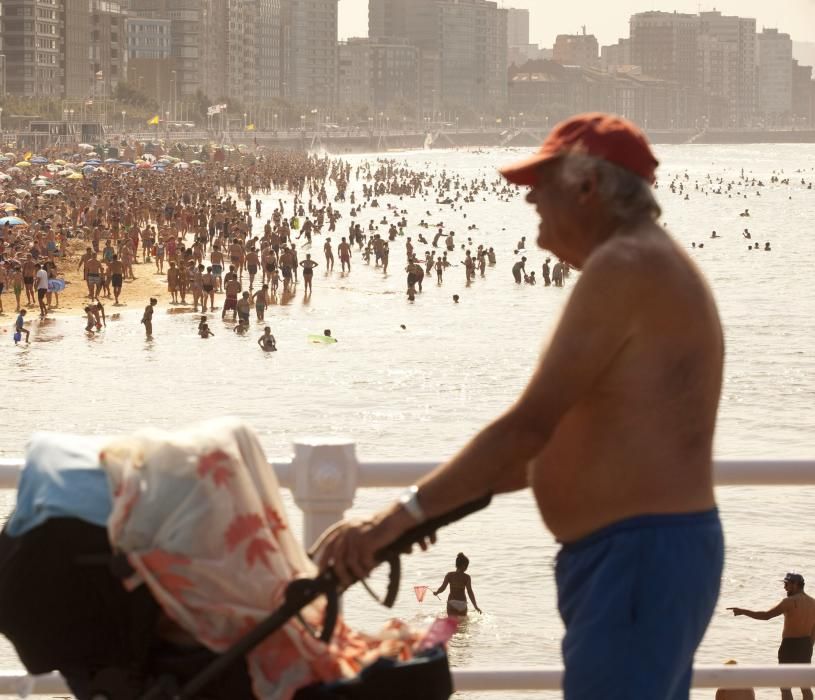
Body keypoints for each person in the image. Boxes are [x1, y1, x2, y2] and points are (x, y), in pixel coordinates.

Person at [309, 113, 725, 700]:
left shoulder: (624, 266)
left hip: (636, 558)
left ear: (588, 189)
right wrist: (425, 511)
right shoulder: (642, 263)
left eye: (541, 188)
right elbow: (548, 448)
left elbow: (526, 429)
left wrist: (391, 520)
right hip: (639, 556)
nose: (530, 205)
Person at [728, 573, 815, 700]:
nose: (785, 588)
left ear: (796, 585)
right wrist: (810, 645)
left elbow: (766, 615)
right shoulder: (813, 603)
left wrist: (743, 611)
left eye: (787, 584)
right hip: (806, 645)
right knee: (805, 685)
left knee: (785, 686)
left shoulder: (789, 602)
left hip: (789, 646)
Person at [434, 553, 481, 617]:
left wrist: (437, 592)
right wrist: (475, 606)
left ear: (456, 565)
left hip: (452, 603)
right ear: (464, 566)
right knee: (463, 625)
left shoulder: (449, 575)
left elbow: (443, 587)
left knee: (451, 624)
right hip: (462, 605)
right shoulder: (466, 577)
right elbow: (470, 592)